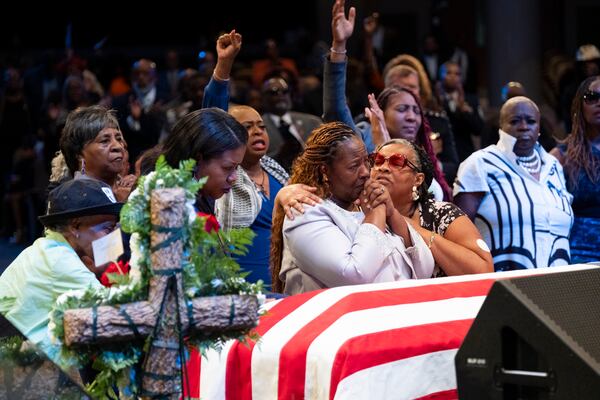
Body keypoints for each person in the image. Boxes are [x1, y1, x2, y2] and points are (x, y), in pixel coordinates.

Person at [270, 122, 434, 295]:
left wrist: (392, 213)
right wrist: (376, 213)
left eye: (367, 161)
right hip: (337, 320)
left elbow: (425, 267)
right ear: (325, 171)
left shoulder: (364, 205)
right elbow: (353, 276)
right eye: (354, 166)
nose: (365, 172)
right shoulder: (305, 211)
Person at [323, 0, 454, 200]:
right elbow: (335, 110)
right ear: (381, 113)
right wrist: (339, 46)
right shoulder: (362, 142)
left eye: (416, 111)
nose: (412, 117)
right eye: (402, 109)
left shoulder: (422, 150)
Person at [454, 96, 573, 270]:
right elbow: (458, 231)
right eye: (515, 121)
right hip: (501, 284)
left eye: (531, 121)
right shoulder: (481, 163)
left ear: (539, 128)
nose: (524, 127)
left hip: (557, 284)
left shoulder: (553, 166)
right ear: (501, 127)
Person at [0, 178, 122, 348]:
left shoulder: (46, 247)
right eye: (107, 229)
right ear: (75, 227)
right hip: (12, 364)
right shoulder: (62, 261)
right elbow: (116, 317)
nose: (112, 239)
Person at [371, 139, 493, 276]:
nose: (383, 167)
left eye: (397, 162)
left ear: (418, 179)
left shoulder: (442, 214)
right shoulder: (354, 213)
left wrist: (414, 230)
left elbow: (483, 270)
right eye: (378, 161)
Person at [550, 76, 600, 263]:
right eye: (592, 97)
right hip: (579, 250)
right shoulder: (561, 155)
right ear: (580, 105)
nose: (599, 103)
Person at [161, 107, 247, 214]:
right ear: (196, 160)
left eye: (236, 167)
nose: (234, 178)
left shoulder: (203, 196)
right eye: (228, 168)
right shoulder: (168, 201)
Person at [58, 105, 137, 202]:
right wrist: (124, 206)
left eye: (118, 139)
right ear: (79, 154)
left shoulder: (134, 188)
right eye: (105, 141)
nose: (118, 146)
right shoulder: (72, 198)